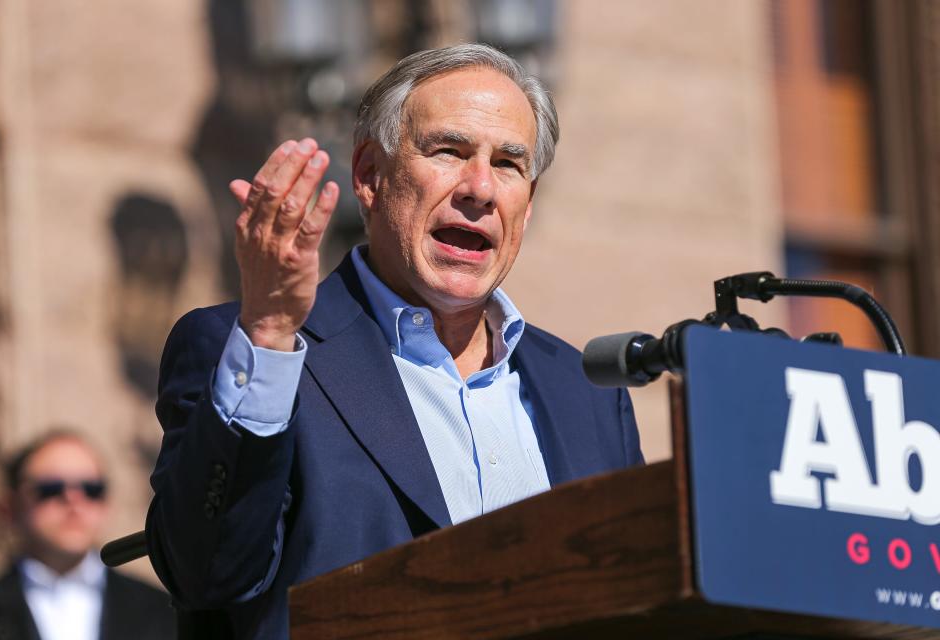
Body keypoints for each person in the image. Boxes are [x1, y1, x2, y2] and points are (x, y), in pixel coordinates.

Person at [147, 43, 643, 639]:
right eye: (449, 151)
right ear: (369, 176)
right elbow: (206, 574)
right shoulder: (253, 352)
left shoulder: (585, 391)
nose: (480, 188)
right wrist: (271, 333)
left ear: (527, 205)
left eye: (509, 165)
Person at [0, 430, 176, 640]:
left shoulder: (162, 608)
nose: (74, 502)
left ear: (107, 505)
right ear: (9, 508)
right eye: (51, 489)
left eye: (92, 489)